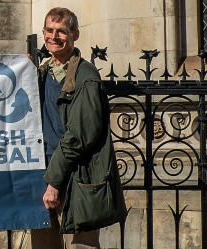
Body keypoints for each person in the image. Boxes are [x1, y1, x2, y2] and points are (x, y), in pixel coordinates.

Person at [30, 7, 126, 249]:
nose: (54, 37)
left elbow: (79, 137)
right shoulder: (42, 74)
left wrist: (54, 182)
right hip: (42, 172)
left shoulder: (86, 77)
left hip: (75, 178)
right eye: (49, 30)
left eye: (61, 31)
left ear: (75, 35)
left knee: (81, 245)